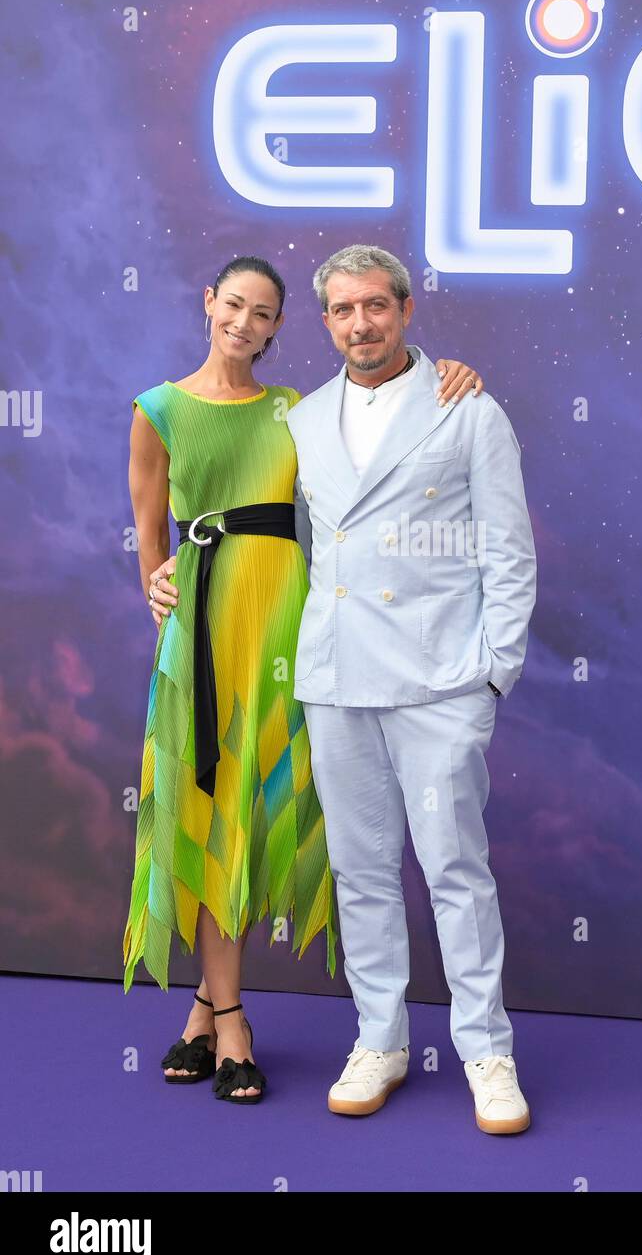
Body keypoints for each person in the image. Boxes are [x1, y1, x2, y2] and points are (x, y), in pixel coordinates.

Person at [124, 254, 482, 1104]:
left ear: (283, 328)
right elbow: (148, 534)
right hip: (205, 630)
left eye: (265, 315)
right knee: (212, 809)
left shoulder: (298, 411)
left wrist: (456, 373)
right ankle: (235, 1019)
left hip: (291, 629)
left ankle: (203, 1013)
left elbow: (381, 407)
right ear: (207, 303)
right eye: (234, 306)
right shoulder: (158, 410)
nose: (245, 323)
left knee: (255, 807)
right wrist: (154, 580)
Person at [286, 244, 537, 1134]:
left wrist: (491, 675)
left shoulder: (468, 408)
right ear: (326, 322)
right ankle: (380, 1038)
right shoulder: (304, 420)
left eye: (376, 307)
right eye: (343, 310)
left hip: (440, 682)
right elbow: (290, 544)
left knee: (455, 871)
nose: (361, 324)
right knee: (360, 872)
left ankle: (485, 1051)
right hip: (336, 676)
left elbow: (508, 552)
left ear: (405, 309)